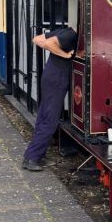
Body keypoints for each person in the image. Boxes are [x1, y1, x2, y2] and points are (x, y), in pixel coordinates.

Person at [22, 26, 77, 172]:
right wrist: (65, 55)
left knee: (44, 115)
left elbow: (37, 39)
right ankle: (32, 158)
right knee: (50, 120)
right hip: (57, 79)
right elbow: (48, 44)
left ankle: (34, 154)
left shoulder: (64, 31)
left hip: (50, 76)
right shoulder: (71, 35)